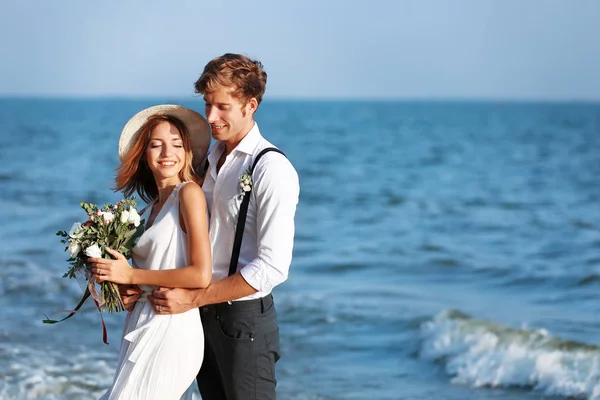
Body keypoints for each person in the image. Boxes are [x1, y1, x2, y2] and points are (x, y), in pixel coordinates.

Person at [121, 53, 300, 399]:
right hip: (196, 317)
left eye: (222, 107)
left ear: (251, 105)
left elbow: (273, 267)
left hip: (243, 322)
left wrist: (194, 298)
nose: (210, 117)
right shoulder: (209, 159)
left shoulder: (270, 169)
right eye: (207, 104)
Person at [89, 105, 212, 400]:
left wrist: (132, 274)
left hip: (174, 325)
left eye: (176, 145)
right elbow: (144, 274)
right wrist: (123, 287)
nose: (167, 152)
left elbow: (200, 274)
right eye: (156, 145)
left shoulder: (189, 194)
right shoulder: (144, 213)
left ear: (188, 153)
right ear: (143, 155)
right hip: (141, 322)